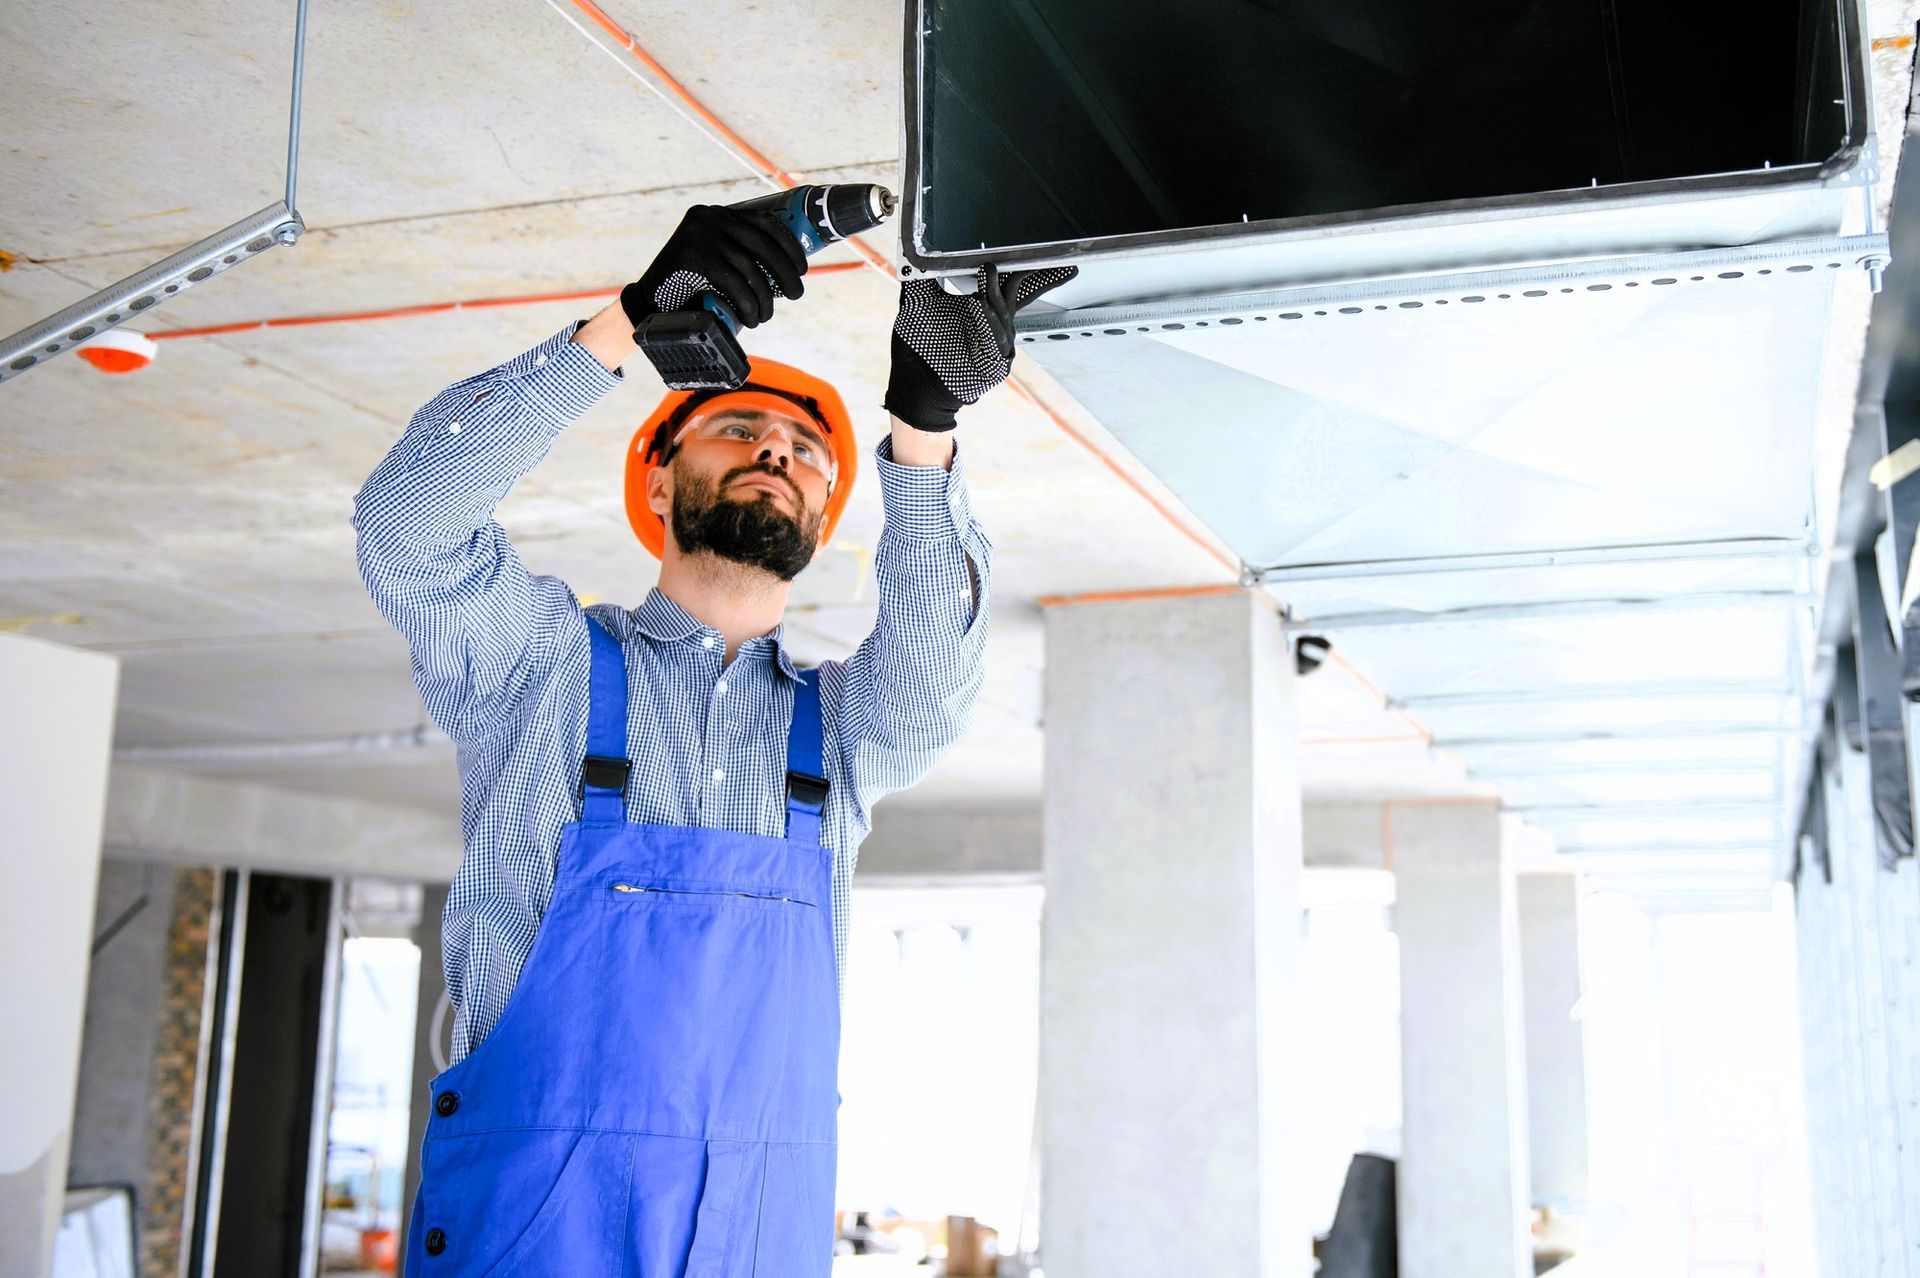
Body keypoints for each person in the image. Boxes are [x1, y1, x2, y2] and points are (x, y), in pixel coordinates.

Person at [353, 202, 1073, 1276]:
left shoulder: (842, 733)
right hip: (540, 1242)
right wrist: (630, 324)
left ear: (825, 519)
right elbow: (404, 528)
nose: (775, 446)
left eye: (805, 452)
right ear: (656, 480)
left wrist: (923, 436)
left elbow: (932, 677)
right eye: (736, 428)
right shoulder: (538, 665)